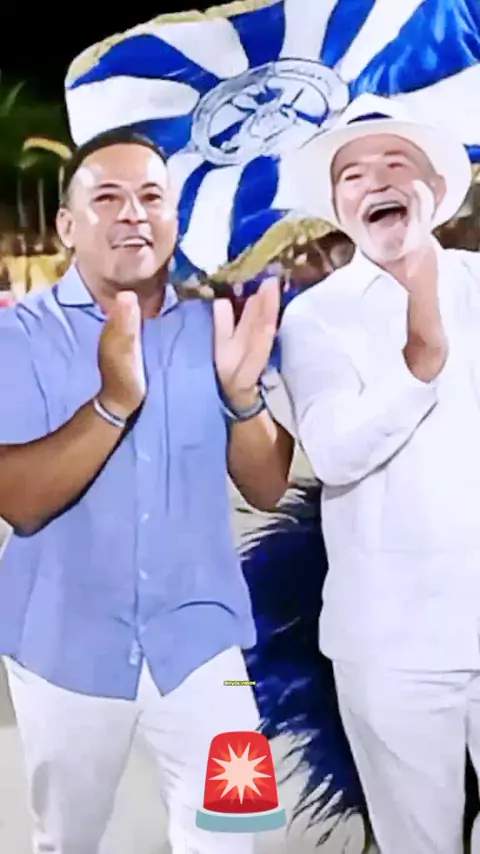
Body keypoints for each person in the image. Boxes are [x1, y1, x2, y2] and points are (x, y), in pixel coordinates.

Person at [0, 127, 293, 854]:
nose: (133, 212)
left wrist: (244, 396)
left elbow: (268, 487)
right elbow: (19, 500)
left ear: (174, 219)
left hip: (208, 649)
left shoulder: (213, 328)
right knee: (66, 840)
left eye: (151, 196)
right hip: (62, 650)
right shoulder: (18, 338)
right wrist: (113, 403)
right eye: (107, 197)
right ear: (68, 225)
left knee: (234, 833)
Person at [280, 92, 480, 853]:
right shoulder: (315, 318)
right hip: (392, 647)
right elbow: (332, 451)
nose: (376, 181)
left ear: (436, 188)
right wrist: (420, 360)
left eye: (397, 163)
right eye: (353, 174)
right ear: (338, 208)